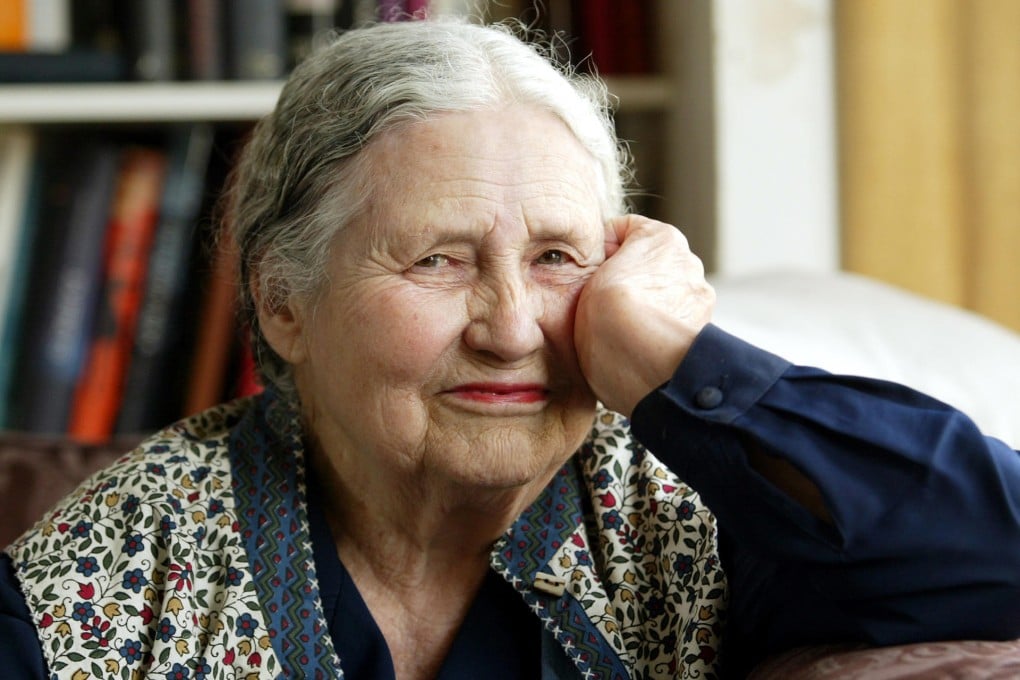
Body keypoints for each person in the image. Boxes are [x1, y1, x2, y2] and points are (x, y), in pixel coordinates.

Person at [2, 18, 1019, 680]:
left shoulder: (694, 512)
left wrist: (679, 359)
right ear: (282, 303)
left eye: (557, 257)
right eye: (440, 259)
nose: (510, 325)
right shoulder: (101, 580)